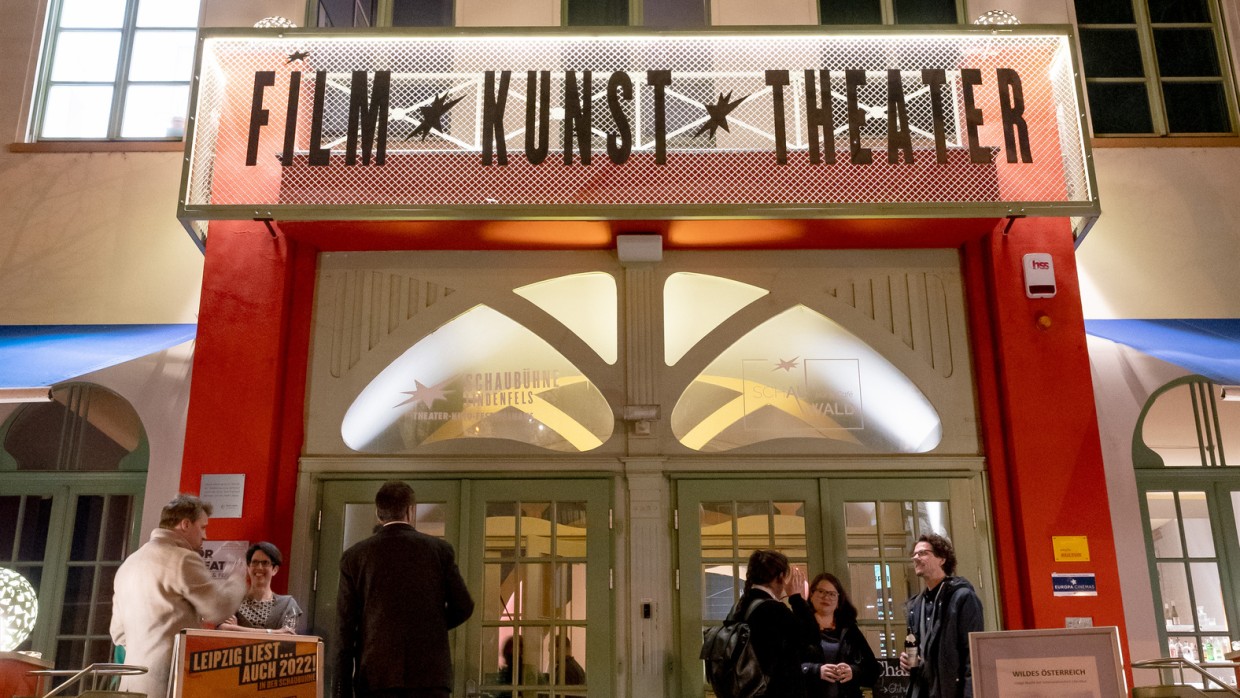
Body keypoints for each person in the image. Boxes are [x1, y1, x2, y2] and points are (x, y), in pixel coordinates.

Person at [335, 481, 475, 698]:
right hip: (429, 677)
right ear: (411, 511)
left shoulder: (355, 557)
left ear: (378, 513)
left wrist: (340, 690)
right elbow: (464, 606)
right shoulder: (439, 551)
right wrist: (430, 625)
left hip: (376, 677)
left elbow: (344, 629)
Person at [110, 494, 246, 698]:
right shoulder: (182, 559)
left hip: (131, 684)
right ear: (185, 524)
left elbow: (118, 633)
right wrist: (237, 579)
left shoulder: (129, 564)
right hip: (168, 683)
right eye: (203, 527)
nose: (205, 536)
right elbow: (217, 609)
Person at [899, 533, 984, 698]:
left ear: (942, 559)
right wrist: (909, 662)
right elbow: (919, 650)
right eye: (914, 554)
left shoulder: (963, 598)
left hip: (951, 691)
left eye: (923, 553)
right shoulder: (915, 605)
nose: (915, 558)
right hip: (922, 690)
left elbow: (972, 656)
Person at [732, 548, 808, 698]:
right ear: (780, 576)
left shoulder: (740, 606)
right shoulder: (773, 609)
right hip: (775, 691)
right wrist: (797, 599)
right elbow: (809, 638)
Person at [790, 572, 880, 698]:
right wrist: (816, 671)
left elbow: (873, 669)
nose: (826, 597)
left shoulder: (849, 629)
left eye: (832, 594)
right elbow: (786, 669)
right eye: (821, 591)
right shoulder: (799, 626)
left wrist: (852, 671)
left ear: (838, 601)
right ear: (811, 595)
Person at [217, 541, 303, 635]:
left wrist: (237, 629)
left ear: (275, 569)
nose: (259, 567)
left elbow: (288, 635)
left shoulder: (288, 604)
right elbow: (223, 630)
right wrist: (273, 632)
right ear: (248, 567)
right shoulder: (232, 601)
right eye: (255, 562)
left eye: (265, 563)